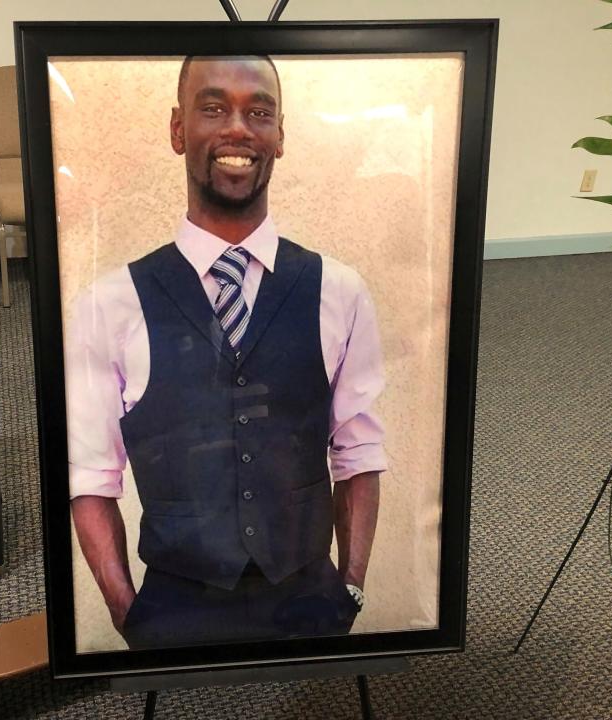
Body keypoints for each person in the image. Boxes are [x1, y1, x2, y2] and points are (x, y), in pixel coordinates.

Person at [66, 55, 387, 649]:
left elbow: (359, 451)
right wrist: (126, 612)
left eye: (259, 111)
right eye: (213, 108)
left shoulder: (340, 291)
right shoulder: (107, 304)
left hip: (309, 593)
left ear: (280, 137)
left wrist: (352, 586)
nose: (238, 128)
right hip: (173, 599)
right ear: (177, 129)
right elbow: (91, 475)